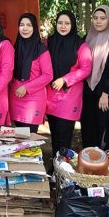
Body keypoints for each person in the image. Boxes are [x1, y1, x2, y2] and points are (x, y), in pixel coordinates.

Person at [46, 10, 92, 154]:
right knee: (54, 135)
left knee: (64, 138)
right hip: (50, 95)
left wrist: (65, 79)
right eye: (60, 23)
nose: (63, 26)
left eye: (67, 23)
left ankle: (63, 166)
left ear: (73, 25)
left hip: (69, 96)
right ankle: (55, 164)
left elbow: (86, 69)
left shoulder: (81, 45)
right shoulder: (49, 41)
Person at [81, 5, 109, 151]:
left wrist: (106, 93)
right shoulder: (87, 38)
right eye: (95, 18)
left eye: (102, 18)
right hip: (87, 89)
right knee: (88, 126)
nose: (98, 21)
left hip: (106, 92)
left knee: (106, 128)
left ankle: (107, 159)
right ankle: (89, 158)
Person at [9, 13, 53, 133]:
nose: (25, 28)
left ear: (34, 28)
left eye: (29, 25)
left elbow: (48, 75)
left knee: (30, 138)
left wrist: (26, 88)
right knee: (19, 137)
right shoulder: (16, 47)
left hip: (33, 100)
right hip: (16, 97)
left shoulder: (41, 50)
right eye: (22, 25)